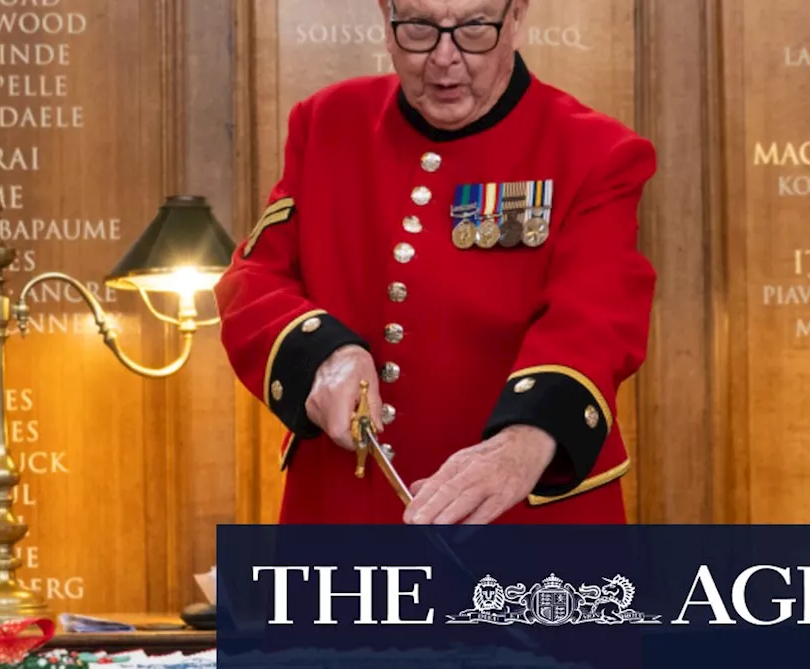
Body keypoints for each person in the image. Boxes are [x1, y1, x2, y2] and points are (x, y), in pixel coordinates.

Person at [213, 0, 657, 525]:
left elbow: (597, 317)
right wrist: (322, 353)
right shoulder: (327, 123)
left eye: (474, 28)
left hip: (525, 518)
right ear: (386, 17)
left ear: (516, 17)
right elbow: (253, 278)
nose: (445, 58)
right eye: (420, 27)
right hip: (347, 513)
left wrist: (523, 443)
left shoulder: (596, 151)